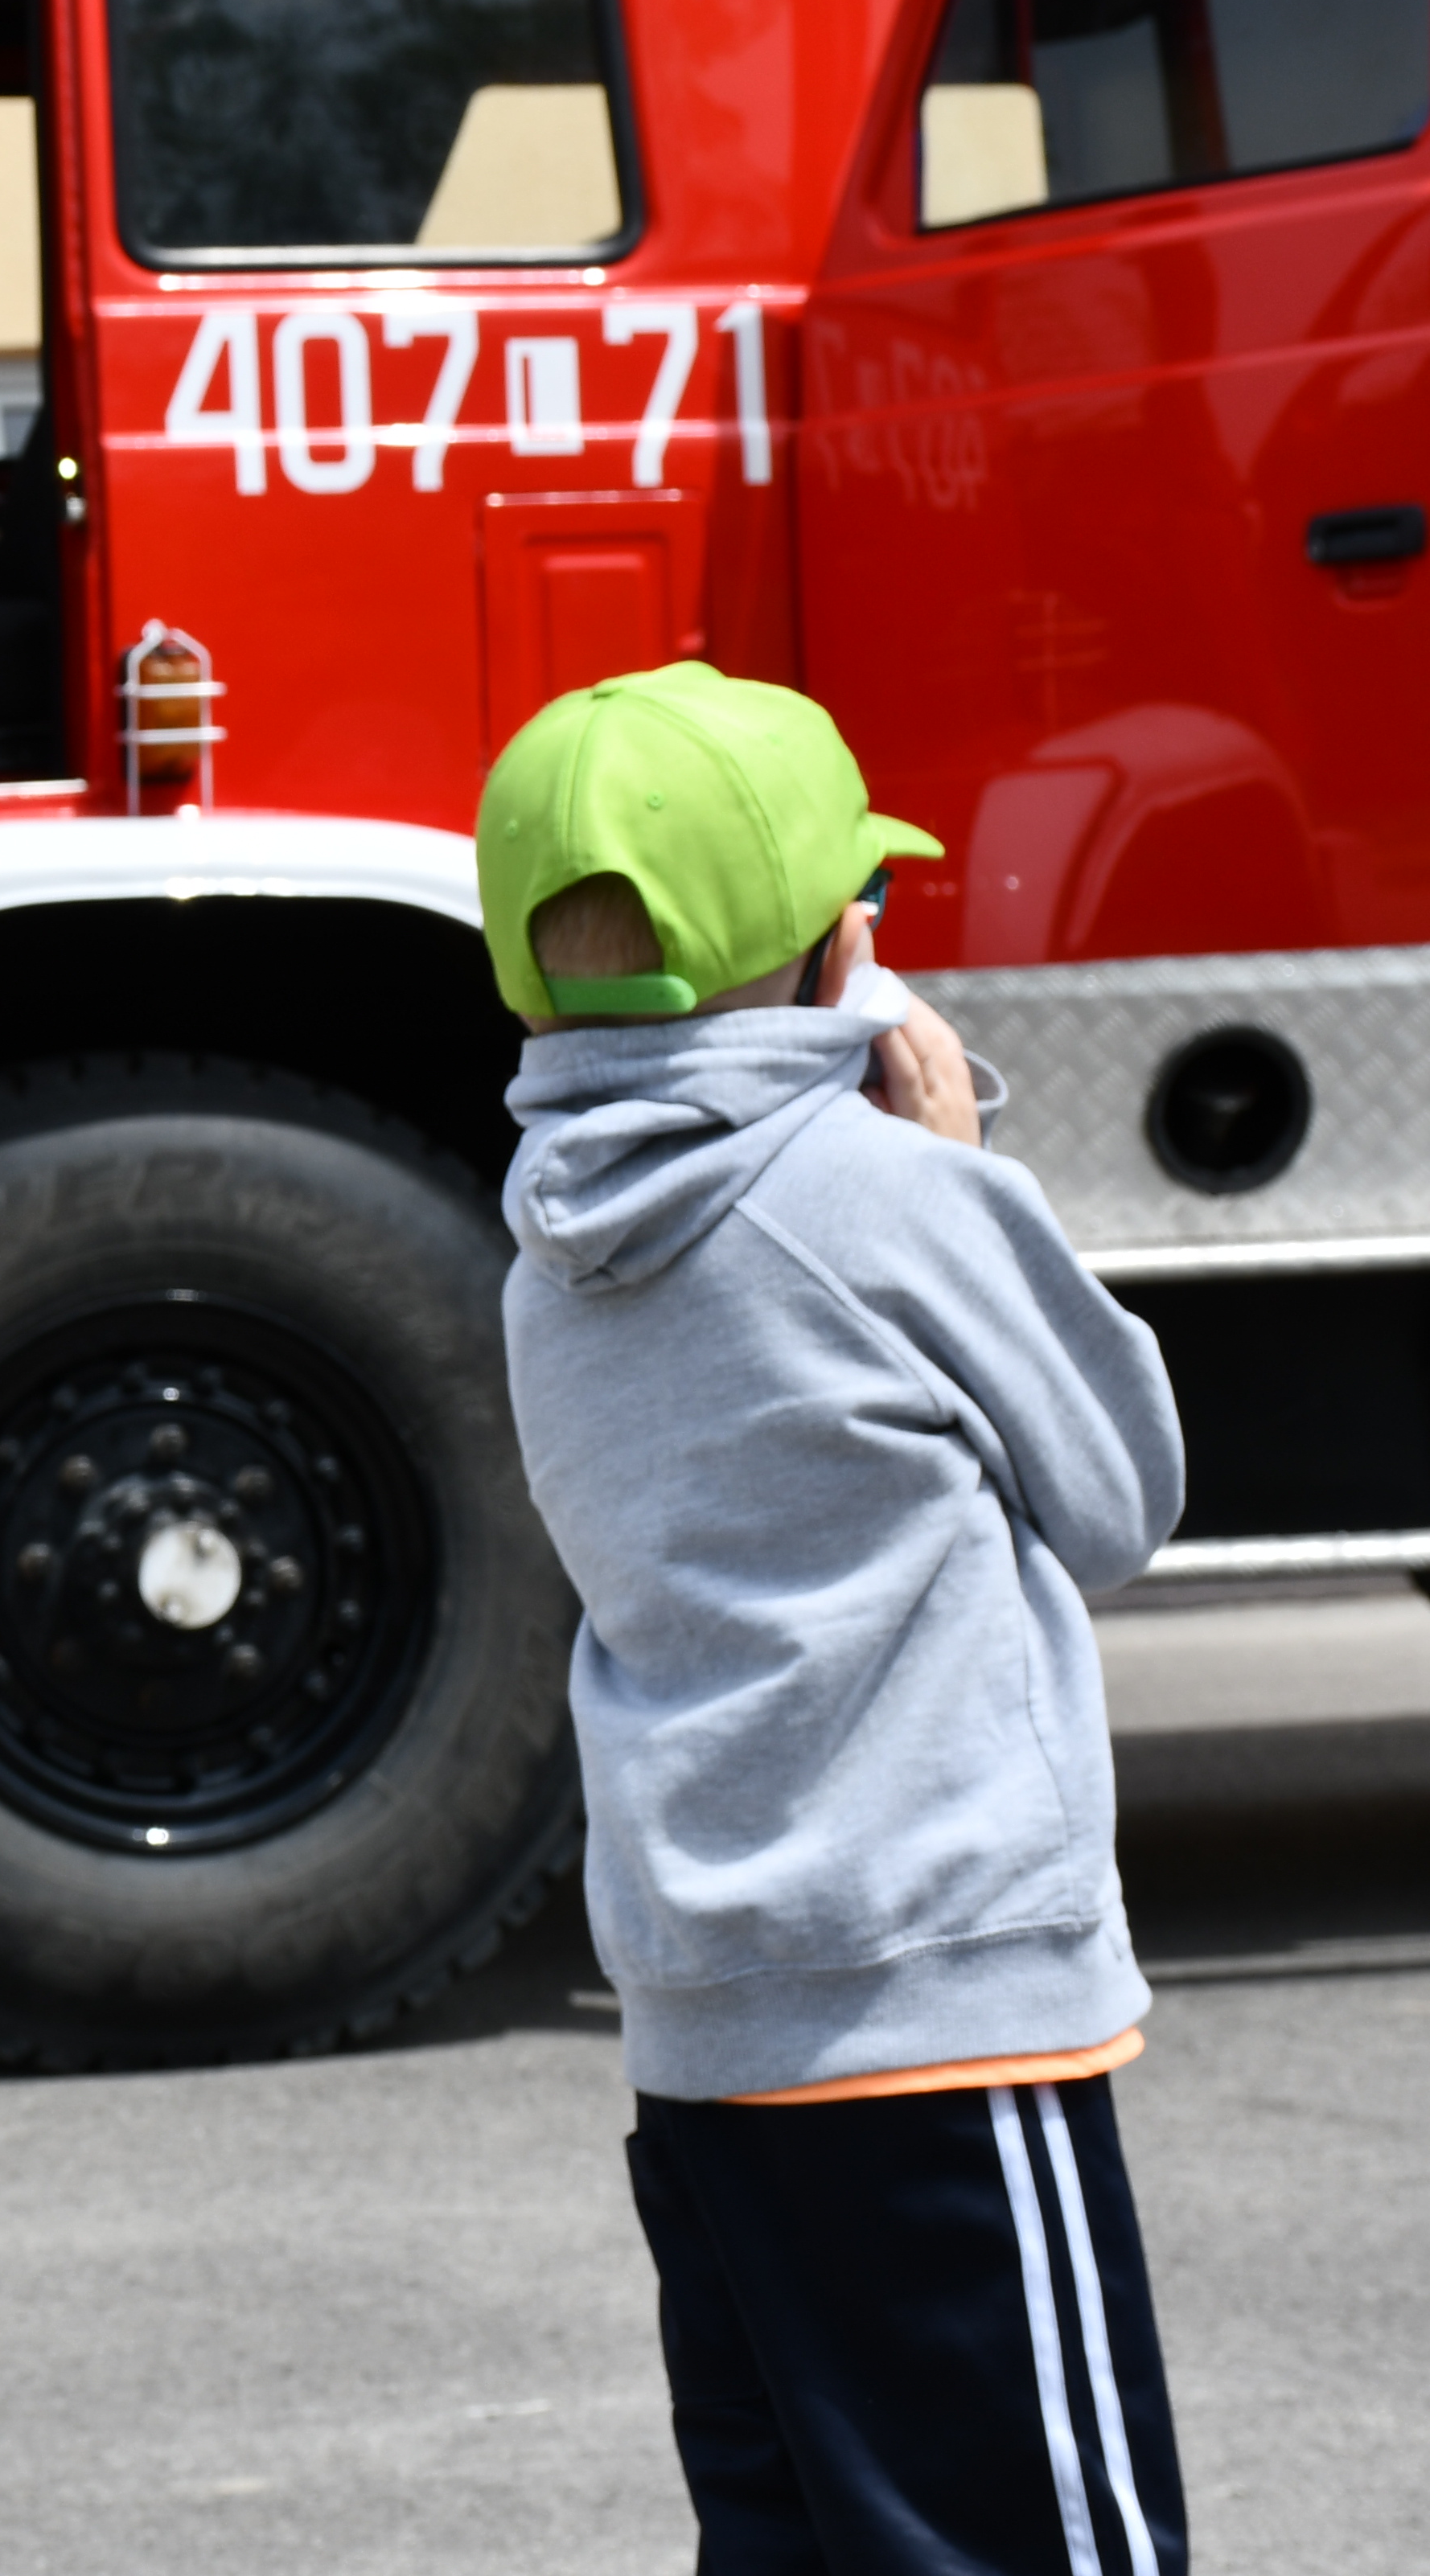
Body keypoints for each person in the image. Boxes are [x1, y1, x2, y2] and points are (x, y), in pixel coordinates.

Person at [476, 662, 1193, 2576]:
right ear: (834, 950)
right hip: (935, 2001)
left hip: (708, 2038)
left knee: (798, 2539)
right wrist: (961, 1169)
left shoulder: (548, 1252)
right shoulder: (885, 1199)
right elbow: (1123, 1490)